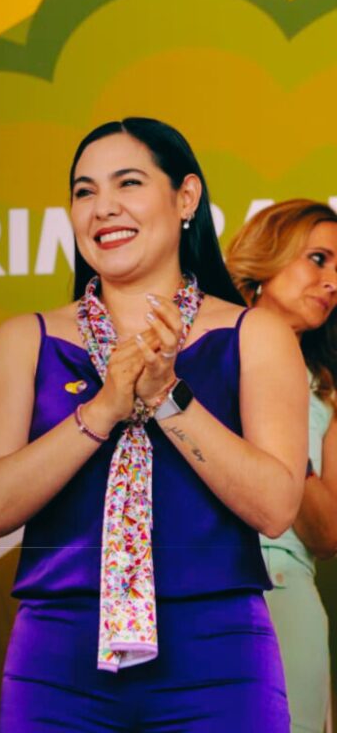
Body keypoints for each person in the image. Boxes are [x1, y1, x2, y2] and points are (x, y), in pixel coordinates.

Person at [0, 117, 308, 732]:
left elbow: (276, 506)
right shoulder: (24, 340)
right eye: (85, 191)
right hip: (57, 660)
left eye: (128, 183)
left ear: (186, 197)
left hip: (219, 653)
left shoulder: (255, 334)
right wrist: (102, 410)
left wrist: (168, 398)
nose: (103, 208)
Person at [226, 199, 336, 733]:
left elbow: (328, 533)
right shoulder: (190, 353)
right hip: (184, 587)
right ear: (267, 256)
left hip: (283, 585)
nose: (332, 282)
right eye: (318, 259)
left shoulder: (328, 393)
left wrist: (287, 448)